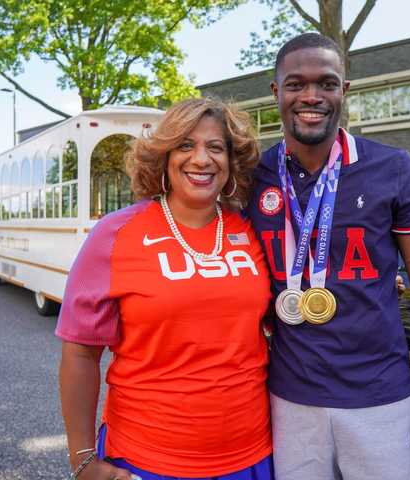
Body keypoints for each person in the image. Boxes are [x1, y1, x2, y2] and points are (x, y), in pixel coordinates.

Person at [247, 33, 410, 480]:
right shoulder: (252, 175)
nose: (311, 96)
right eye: (295, 84)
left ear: (344, 90)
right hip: (289, 403)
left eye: (326, 83)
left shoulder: (392, 168)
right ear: (276, 92)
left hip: (381, 401)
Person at [56, 98, 274, 480]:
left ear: (232, 159)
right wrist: (83, 459)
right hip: (146, 460)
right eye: (186, 145)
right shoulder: (116, 233)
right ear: (164, 156)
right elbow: (79, 352)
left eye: (216, 147)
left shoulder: (250, 227)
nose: (201, 159)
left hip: (252, 456)